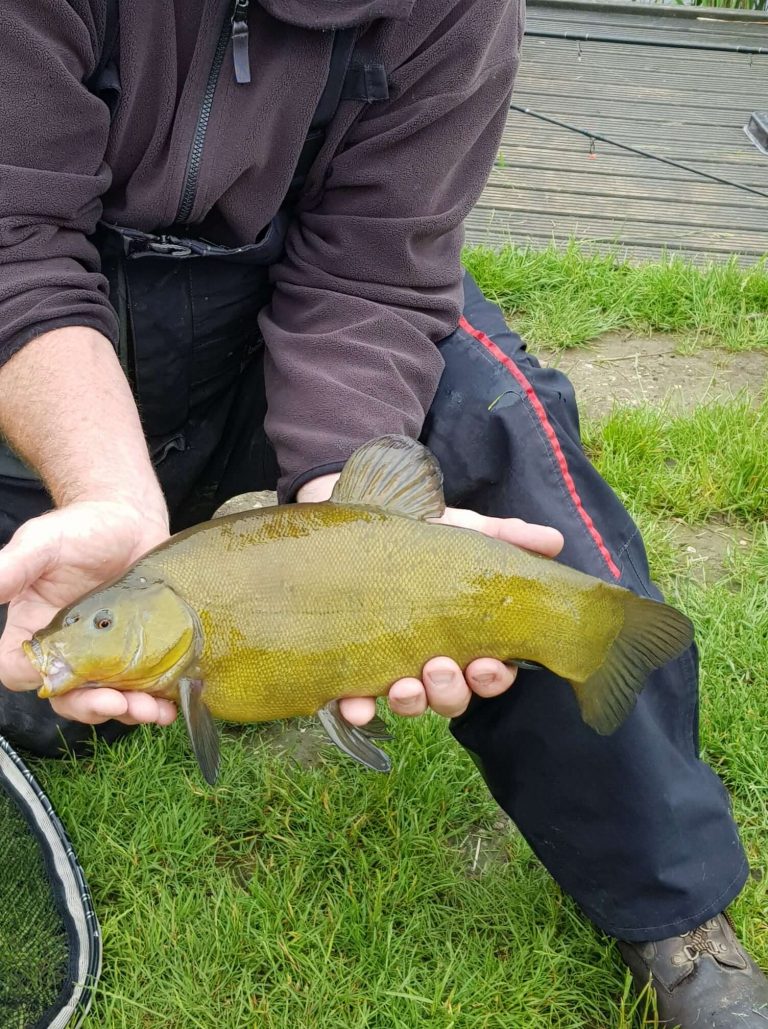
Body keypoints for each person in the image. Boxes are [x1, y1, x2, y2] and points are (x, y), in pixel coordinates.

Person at [0, 2, 765, 1024]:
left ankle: (675, 906)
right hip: (47, 350)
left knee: (506, 437)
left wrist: (345, 517)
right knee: (43, 682)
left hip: (290, 326)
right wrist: (106, 491)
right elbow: (15, 246)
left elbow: (372, 271)